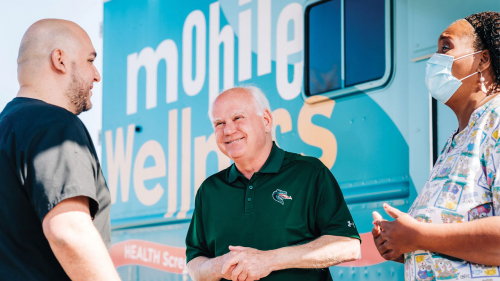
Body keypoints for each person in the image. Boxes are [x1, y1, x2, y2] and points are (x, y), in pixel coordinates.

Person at [371, 11, 500, 281]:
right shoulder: (459, 138)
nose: (434, 60)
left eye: (446, 47)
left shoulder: (496, 121)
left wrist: (419, 235)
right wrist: (404, 247)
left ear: (483, 59)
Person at [185, 86, 361, 281]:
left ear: (266, 121)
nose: (228, 130)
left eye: (238, 118)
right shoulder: (209, 190)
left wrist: (269, 260)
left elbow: (348, 246)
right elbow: (194, 264)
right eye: (219, 123)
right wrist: (219, 265)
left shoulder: (309, 173)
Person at [0, 19, 120, 280]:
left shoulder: (7, 129)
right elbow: (69, 231)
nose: (96, 74)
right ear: (60, 60)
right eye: (90, 61)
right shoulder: (55, 125)